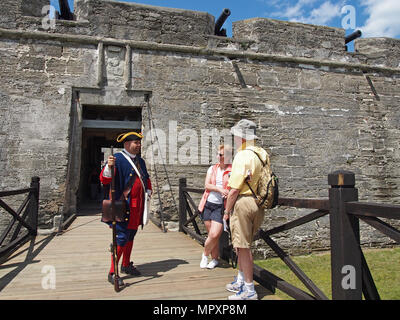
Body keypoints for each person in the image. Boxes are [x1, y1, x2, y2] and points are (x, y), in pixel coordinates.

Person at [223, 119, 269, 300]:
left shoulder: (242, 156)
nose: (234, 138)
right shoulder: (262, 153)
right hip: (258, 202)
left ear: (241, 137)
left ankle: (249, 289)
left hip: (243, 202)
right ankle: (242, 279)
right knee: (242, 244)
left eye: (235, 135)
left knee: (242, 247)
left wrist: (227, 211)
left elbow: (234, 189)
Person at [100, 131, 152, 286]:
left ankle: (126, 264)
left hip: (138, 206)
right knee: (121, 238)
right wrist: (109, 167)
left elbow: (145, 177)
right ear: (127, 144)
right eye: (136, 142)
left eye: (139, 142)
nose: (138, 145)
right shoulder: (117, 159)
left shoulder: (140, 161)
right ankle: (112, 272)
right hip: (123, 206)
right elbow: (104, 179)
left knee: (130, 235)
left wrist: (148, 190)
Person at [198, 145, 232, 269]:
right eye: (218, 154)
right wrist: (219, 189)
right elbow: (207, 185)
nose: (218, 157)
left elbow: (232, 189)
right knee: (213, 236)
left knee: (214, 234)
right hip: (208, 204)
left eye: (221, 155)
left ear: (227, 156)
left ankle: (204, 255)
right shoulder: (212, 168)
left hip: (220, 207)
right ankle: (215, 259)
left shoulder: (231, 170)